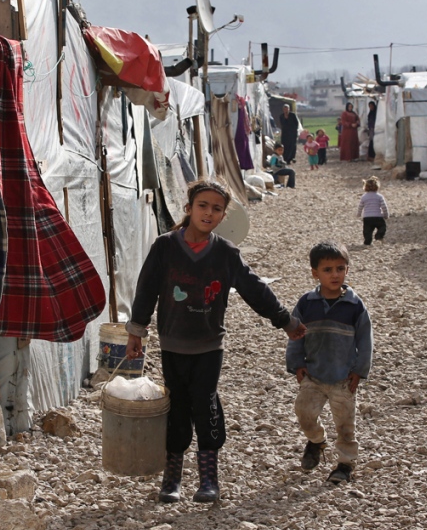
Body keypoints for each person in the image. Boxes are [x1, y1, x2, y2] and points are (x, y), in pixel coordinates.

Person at [125, 180, 307, 504]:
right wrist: (135, 331)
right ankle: (172, 477)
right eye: (203, 206)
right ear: (189, 208)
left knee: (205, 403)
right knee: (177, 406)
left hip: (209, 345)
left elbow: (254, 289)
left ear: (224, 216)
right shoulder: (165, 247)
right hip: (173, 344)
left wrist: (285, 320)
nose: (208, 213)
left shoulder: (225, 253)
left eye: (217, 209)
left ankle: (209, 478)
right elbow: (146, 290)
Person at [286, 242, 373, 484]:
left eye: (340, 268)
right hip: (313, 374)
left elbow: (365, 340)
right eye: (327, 270)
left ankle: (345, 464)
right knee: (304, 413)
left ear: (347, 270)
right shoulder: (307, 303)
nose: (335, 274)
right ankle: (316, 441)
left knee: (345, 425)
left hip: (344, 378)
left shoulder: (355, 306)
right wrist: (297, 363)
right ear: (315, 273)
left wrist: (359, 370)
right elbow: (295, 334)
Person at [355, 176, 389, 245]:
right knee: (382, 227)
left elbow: (360, 207)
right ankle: (379, 235)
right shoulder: (379, 196)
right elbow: (384, 207)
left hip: (367, 217)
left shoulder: (364, 197)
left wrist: (359, 214)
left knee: (367, 230)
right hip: (378, 217)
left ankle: (367, 241)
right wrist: (386, 215)